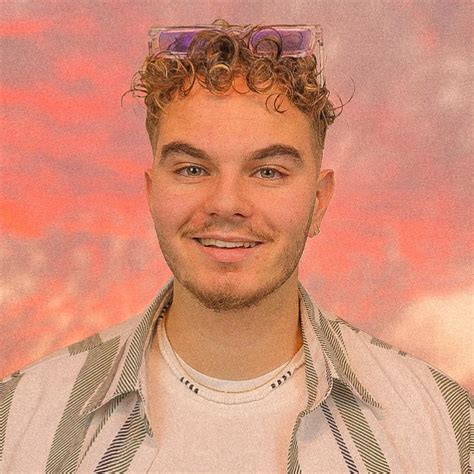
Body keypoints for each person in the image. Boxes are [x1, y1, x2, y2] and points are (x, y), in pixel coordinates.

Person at [0, 20, 471, 473]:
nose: (226, 204)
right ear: (152, 192)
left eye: (268, 172)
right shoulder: (19, 419)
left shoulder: (443, 427)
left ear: (319, 202)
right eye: (192, 169)